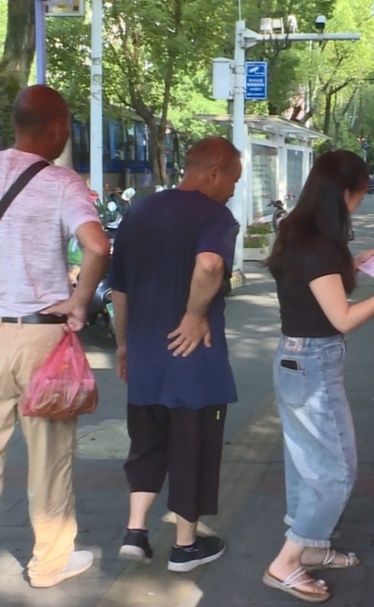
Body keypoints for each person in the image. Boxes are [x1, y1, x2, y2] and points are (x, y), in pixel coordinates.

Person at [0, 85, 111, 603]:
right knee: (50, 457)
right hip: (43, 338)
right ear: (57, 127)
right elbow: (96, 246)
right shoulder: (62, 182)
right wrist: (79, 301)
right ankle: (49, 564)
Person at [264, 150, 374, 602]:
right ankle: (286, 562)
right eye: (359, 194)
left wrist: (359, 262)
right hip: (312, 363)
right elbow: (342, 317)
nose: (360, 202)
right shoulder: (317, 242)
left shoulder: (299, 230)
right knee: (336, 471)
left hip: (296, 359)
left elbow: (315, 287)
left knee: (306, 464)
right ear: (345, 193)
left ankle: (310, 547)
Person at [108, 137, 241, 573]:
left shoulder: (140, 210)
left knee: (146, 444)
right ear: (214, 172)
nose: (234, 190)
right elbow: (209, 265)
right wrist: (193, 314)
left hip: (145, 354)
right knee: (192, 448)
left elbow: (119, 289)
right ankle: (185, 546)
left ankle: (135, 531)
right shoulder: (214, 215)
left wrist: (123, 344)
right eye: (234, 180)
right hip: (193, 361)